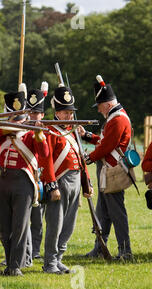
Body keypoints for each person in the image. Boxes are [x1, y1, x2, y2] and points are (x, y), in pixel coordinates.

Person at [0, 83, 49, 276]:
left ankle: (15, 265)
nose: (17, 121)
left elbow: (44, 153)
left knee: (19, 226)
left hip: (23, 181)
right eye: (13, 117)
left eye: (19, 117)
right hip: (1, 180)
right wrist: (9, 126)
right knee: (4, 227)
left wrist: (39, 134)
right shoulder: (1, 130)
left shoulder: (30, 131)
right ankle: (9, 261)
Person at [78, 75, 133, 260]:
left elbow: (107, 146)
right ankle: (100, 248)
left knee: (117, 213)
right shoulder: (113, 117)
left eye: (100, 106)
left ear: (107, 104)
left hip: (113, 172)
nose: (99, 109)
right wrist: (86, 136)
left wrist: (89, 157)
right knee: (103, 213)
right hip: (107, 172)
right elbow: (103, 141)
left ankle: (125, 251)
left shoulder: (117, 119)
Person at [42, 85, 93, 274]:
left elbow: (80, 157)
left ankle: (59, 258)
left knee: (69, 224)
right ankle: (49, 263)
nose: (69, 115)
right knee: (55, 224)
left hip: (75, 181)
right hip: (60, 182)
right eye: (65, 112)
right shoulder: (51, 131)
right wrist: (52, 185)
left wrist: (87, 182)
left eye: (71, 112)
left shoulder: (72, 131)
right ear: (57, 112)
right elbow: (46, 161)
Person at [25, 82, 49, 262]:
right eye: (31, 112)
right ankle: (24, 251)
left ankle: (35, 250)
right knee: (23, 218)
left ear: (42, 114)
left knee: (38, 219)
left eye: (37, 113)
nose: (34, 116)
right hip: (25, 177)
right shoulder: (21, 129)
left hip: (41, 178)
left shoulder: (46, 130)